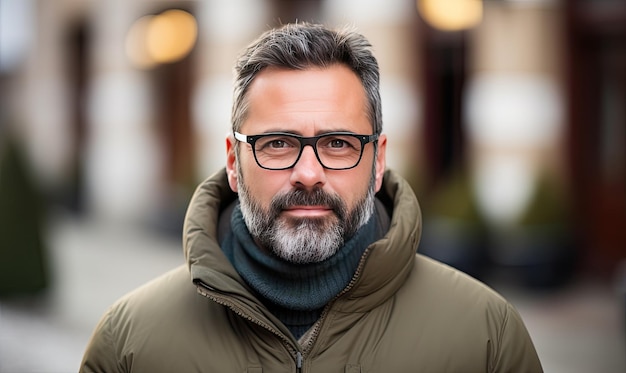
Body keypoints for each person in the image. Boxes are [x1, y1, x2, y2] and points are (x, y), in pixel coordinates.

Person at [80, 22, 543, 372]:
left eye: (338, 143)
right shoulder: (130, 345)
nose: (308, 173)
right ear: (233, 162)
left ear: (378, 162)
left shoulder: (485, 339)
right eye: (277, 143)